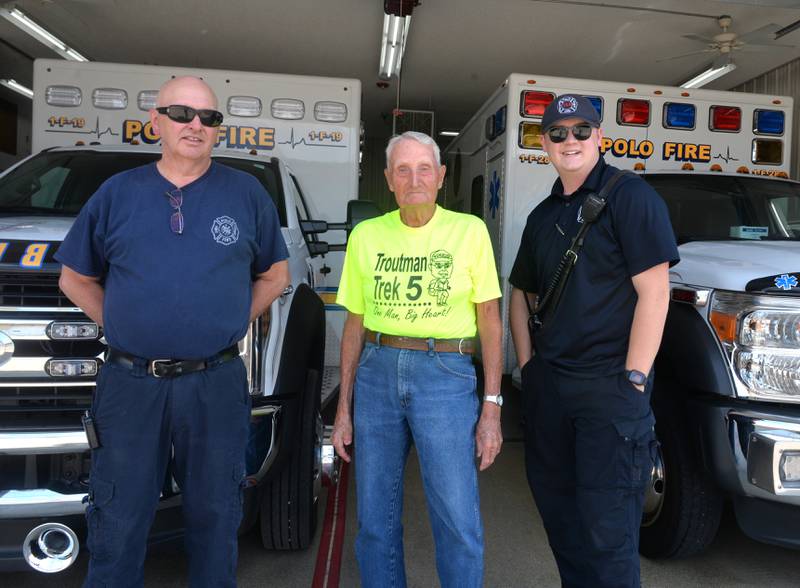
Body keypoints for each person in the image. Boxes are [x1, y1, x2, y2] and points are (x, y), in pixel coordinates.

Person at [55, 76, 290, 587]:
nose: (195, 125)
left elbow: (277, 275)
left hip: (215, 384)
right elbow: (74, 277)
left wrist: (230, 321)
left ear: (217, 131)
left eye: (208, 118)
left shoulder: (246, 194)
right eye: (182, 113)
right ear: (156, 121)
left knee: (216, 519)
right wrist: (120, 324)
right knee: (118, 522)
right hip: (130, 385)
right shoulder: (117, 194)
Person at [508, 95, 679, 587]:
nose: (570, 141)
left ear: (599, 136)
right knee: (565, 530)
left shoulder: (631, 197)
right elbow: (522, 293)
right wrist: (530, 366)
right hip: (551, 394)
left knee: (609, 542)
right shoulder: (542, 217)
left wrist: (634, 378)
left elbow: (655, 294)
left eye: (581, 130)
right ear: (545, 144)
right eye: (558, 133)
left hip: (610, 393)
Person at [331, 131, 503, 588]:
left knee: (457, 522)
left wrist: (492, 407)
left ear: (441, 176)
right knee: (374, 521)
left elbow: (489, 319)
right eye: (402, 170)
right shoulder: (366, 236)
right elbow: (354, 325)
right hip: (376, 371)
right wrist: (343, 409)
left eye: (424, 168)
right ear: (387, 179)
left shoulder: (470, 231)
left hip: (445, 376)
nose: (414, 179)